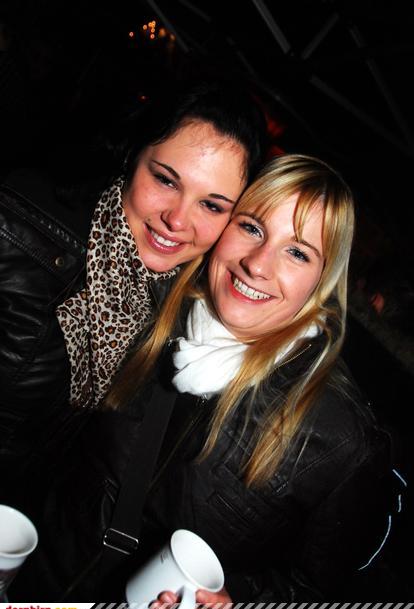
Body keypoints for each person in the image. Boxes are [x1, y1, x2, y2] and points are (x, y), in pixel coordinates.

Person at [11, 154, 401, 603]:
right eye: (252, 227)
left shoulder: (341, 439)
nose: (257, 264)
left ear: (322, 281)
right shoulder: (148, 309)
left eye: (297, 252)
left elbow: (322, 589)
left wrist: (240, 602)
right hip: (36, 593)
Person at [0, 74, 268, 495]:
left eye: (212, 205)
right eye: (166, 180)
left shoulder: (189, 315)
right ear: (131, 155)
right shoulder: (17, 231)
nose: (177, 220)